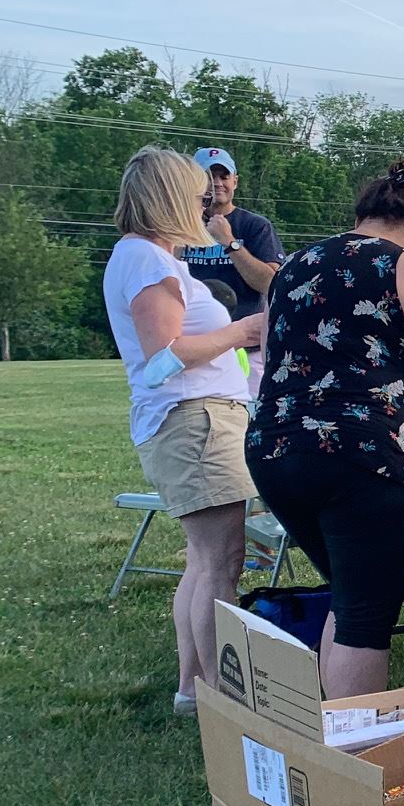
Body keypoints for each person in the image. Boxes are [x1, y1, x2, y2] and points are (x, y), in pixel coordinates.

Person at [246, 161, 404, 699]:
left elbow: (277, 354)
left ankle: (316, 723)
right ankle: (353, 756)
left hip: (274, 450)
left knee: (349, 591)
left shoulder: (293, 265)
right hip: (364, 455)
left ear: (361, 215)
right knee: (365, 615)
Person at [103, 146, 264, 716]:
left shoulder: (148, 258)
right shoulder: (147, 261)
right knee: (221, 561)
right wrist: (244, 330)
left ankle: (193, 690)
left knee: (203, 561)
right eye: (195, 192)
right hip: (192, 421)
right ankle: (219, 698)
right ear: (170, 197)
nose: (205, 199)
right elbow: (164, 357)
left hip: (191, 419)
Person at [180, 147, 284, 390]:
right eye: (208, 176)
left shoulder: (255, 226)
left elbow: (271, 282)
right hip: (196, 349)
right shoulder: (181, 228)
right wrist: (182, 234)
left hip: (246, 350)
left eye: (223, 176)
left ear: (235, 181)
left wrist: (230, 242)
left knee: (250, 422)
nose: (217, 183)